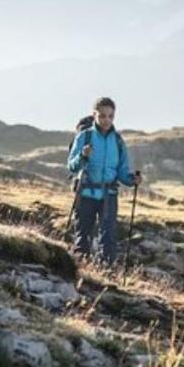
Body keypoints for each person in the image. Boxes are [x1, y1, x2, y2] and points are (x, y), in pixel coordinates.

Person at [66, 97, 142, 265]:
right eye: (102, 116)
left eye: (110, 116)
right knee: (82, 236)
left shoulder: (118, 141)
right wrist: (82, 156)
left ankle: (107, 274)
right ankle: (80, 270)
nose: (106, 120)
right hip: (85, 194)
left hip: (109, 195)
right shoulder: (84, 137)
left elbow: (122, 172)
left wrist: (132, 180)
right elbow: (71, 166)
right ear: (94, 115)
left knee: (108, 238)